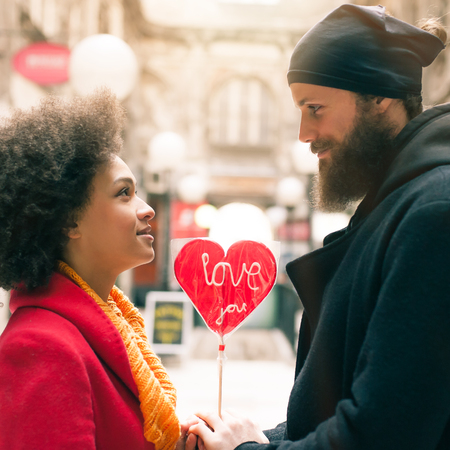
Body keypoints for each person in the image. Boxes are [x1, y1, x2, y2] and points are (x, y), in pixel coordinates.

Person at [187, 4, 450, 450]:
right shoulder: (397, 203)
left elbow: (382, 434)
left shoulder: (432, 213)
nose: (304, 133)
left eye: (315, 108)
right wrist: (250, 439)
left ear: (379, 96)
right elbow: (343, 406)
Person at [0, 90, 196, 450]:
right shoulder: (41, 346)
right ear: (69, 219)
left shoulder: (105, 329)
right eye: (124, 193)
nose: (147, 209)